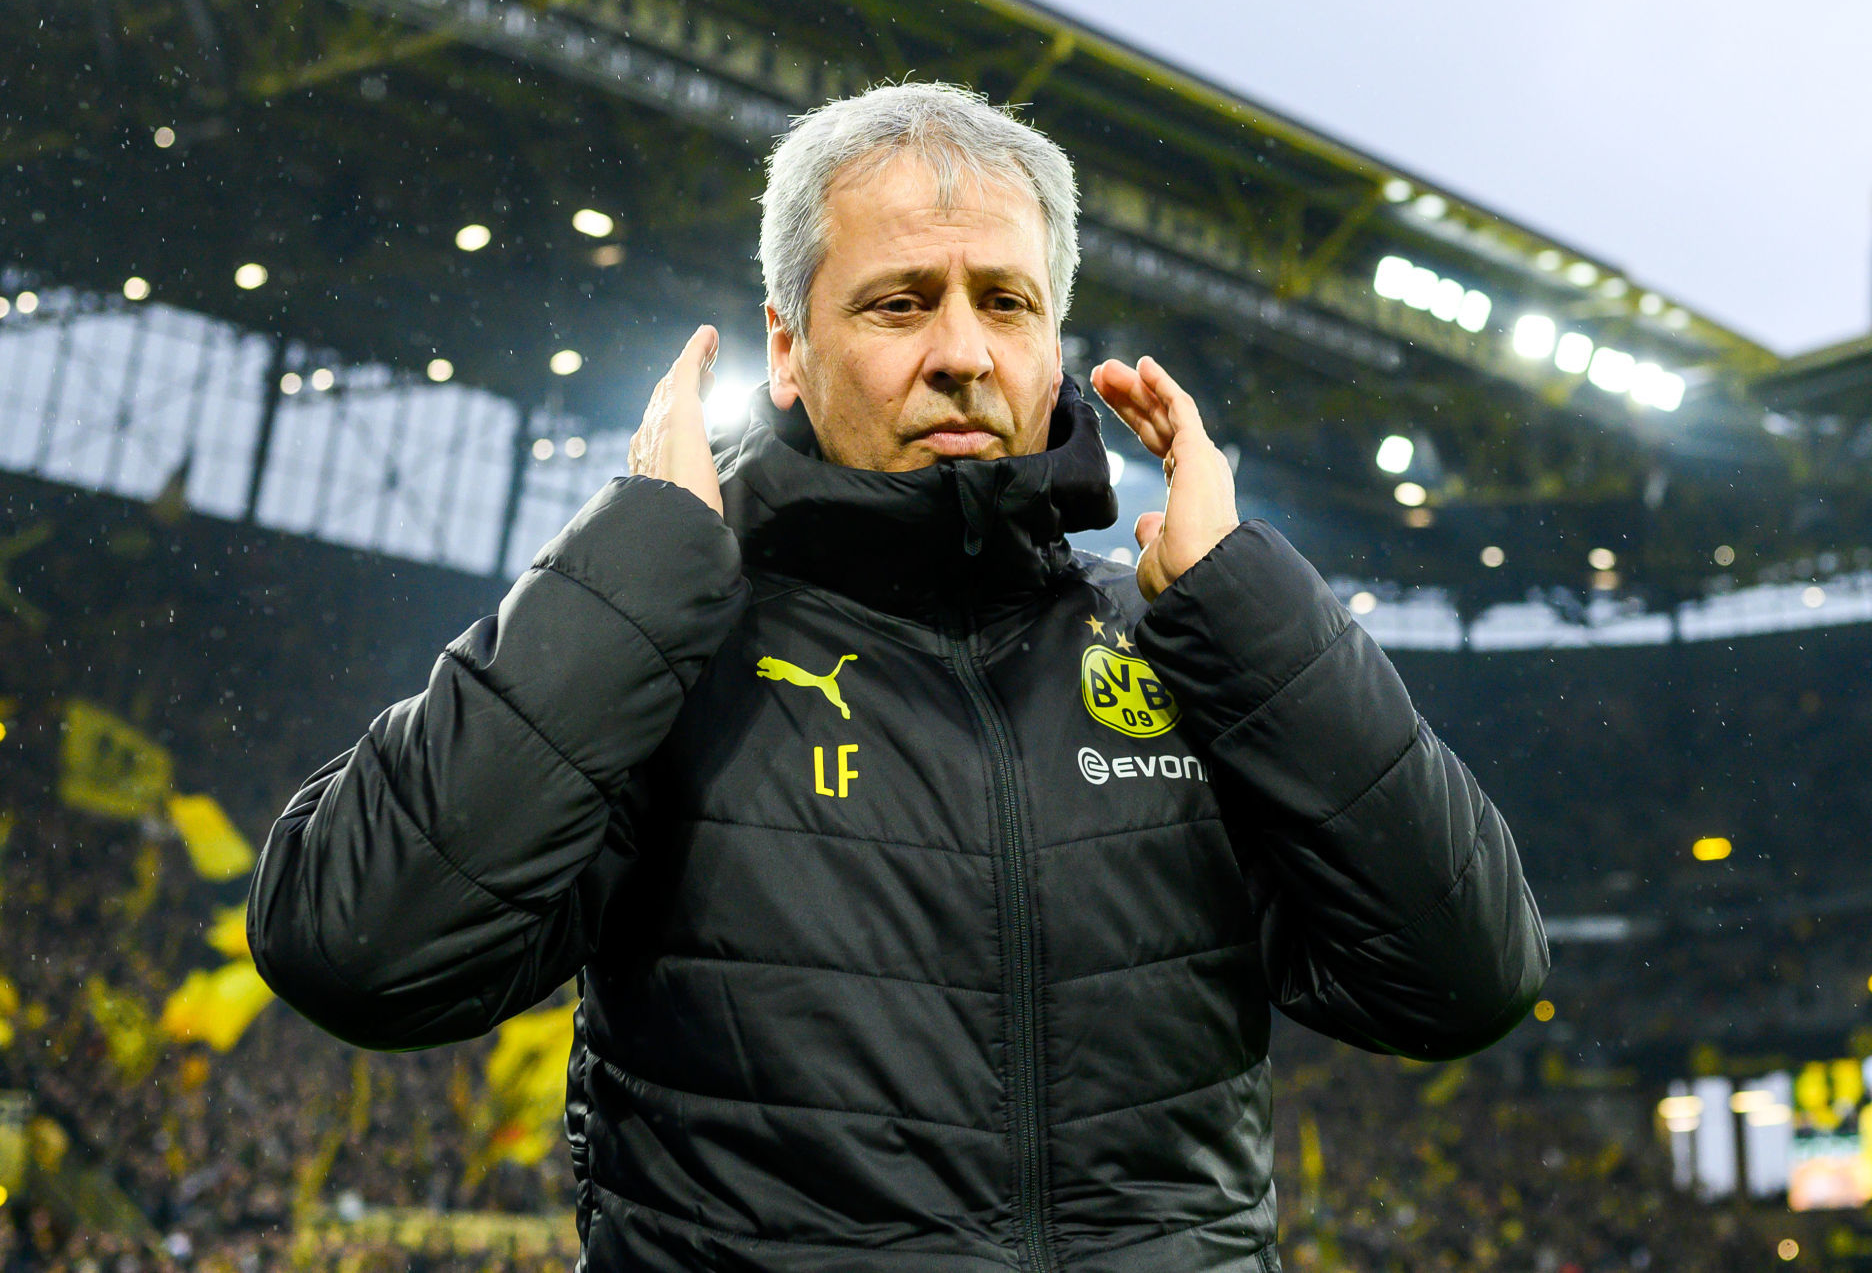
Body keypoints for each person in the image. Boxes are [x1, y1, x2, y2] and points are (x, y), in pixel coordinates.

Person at [247, 81, 1547, 1272]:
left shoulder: (1188, 645)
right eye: (900, 301)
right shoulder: (666, 641)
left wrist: (1252, 608)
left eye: (1008, 301)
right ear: (790, 346)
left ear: (1054, 345)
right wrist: (642, 559)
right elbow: (361, 945)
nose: (964, 350)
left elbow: (1463, 979)